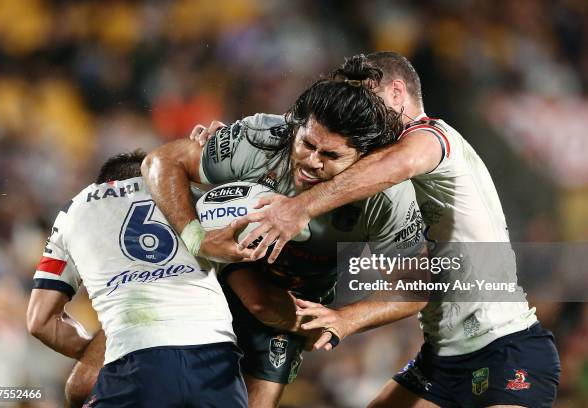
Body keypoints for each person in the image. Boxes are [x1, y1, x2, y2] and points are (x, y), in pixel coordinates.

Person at [195, 52, 561, 407]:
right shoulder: (369, 160)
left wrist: (298, 209)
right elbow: (317, 139)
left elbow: (398, 163)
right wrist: (238, 143)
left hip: (503, 343)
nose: (358, 111)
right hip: (440, 357)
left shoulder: (432, 137)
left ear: (398, 92)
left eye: (365, 99)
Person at [141, 55, 428, 407]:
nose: (312, 160)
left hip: (293, 298)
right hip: (215, 267)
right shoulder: (261, 138)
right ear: (296, 128)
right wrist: (196, 236)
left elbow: (418, 286)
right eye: (307, 144)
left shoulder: (386, 193)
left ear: (362, 158)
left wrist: (345, 319)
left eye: (331, 155)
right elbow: (162, 161)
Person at [26, 151, 248, 408]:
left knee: (77, 389)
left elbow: (40, 322)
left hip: (135, 362)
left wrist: (97, 353)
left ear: (104, 182)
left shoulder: (74, 211)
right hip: (217, 364)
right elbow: (255, 299)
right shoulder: (198, 199)